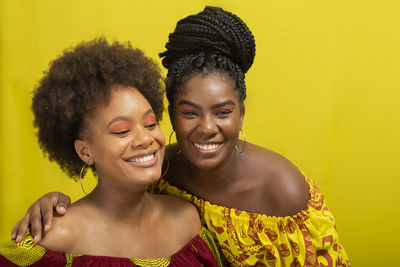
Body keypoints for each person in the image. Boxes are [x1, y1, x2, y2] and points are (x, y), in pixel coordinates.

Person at [11, 7, 350, 267]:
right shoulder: (161, 172)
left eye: (223, 112)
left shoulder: (263, 197)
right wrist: (53, 205)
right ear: (171, 114)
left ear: (242, 113)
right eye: (189, 113)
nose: (206, 127)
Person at [0, 39, 222, 266]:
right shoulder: (57, 236)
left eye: (150, 124)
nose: (146, 139)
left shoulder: (187, 220)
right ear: (85, 152)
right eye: (122, 130)